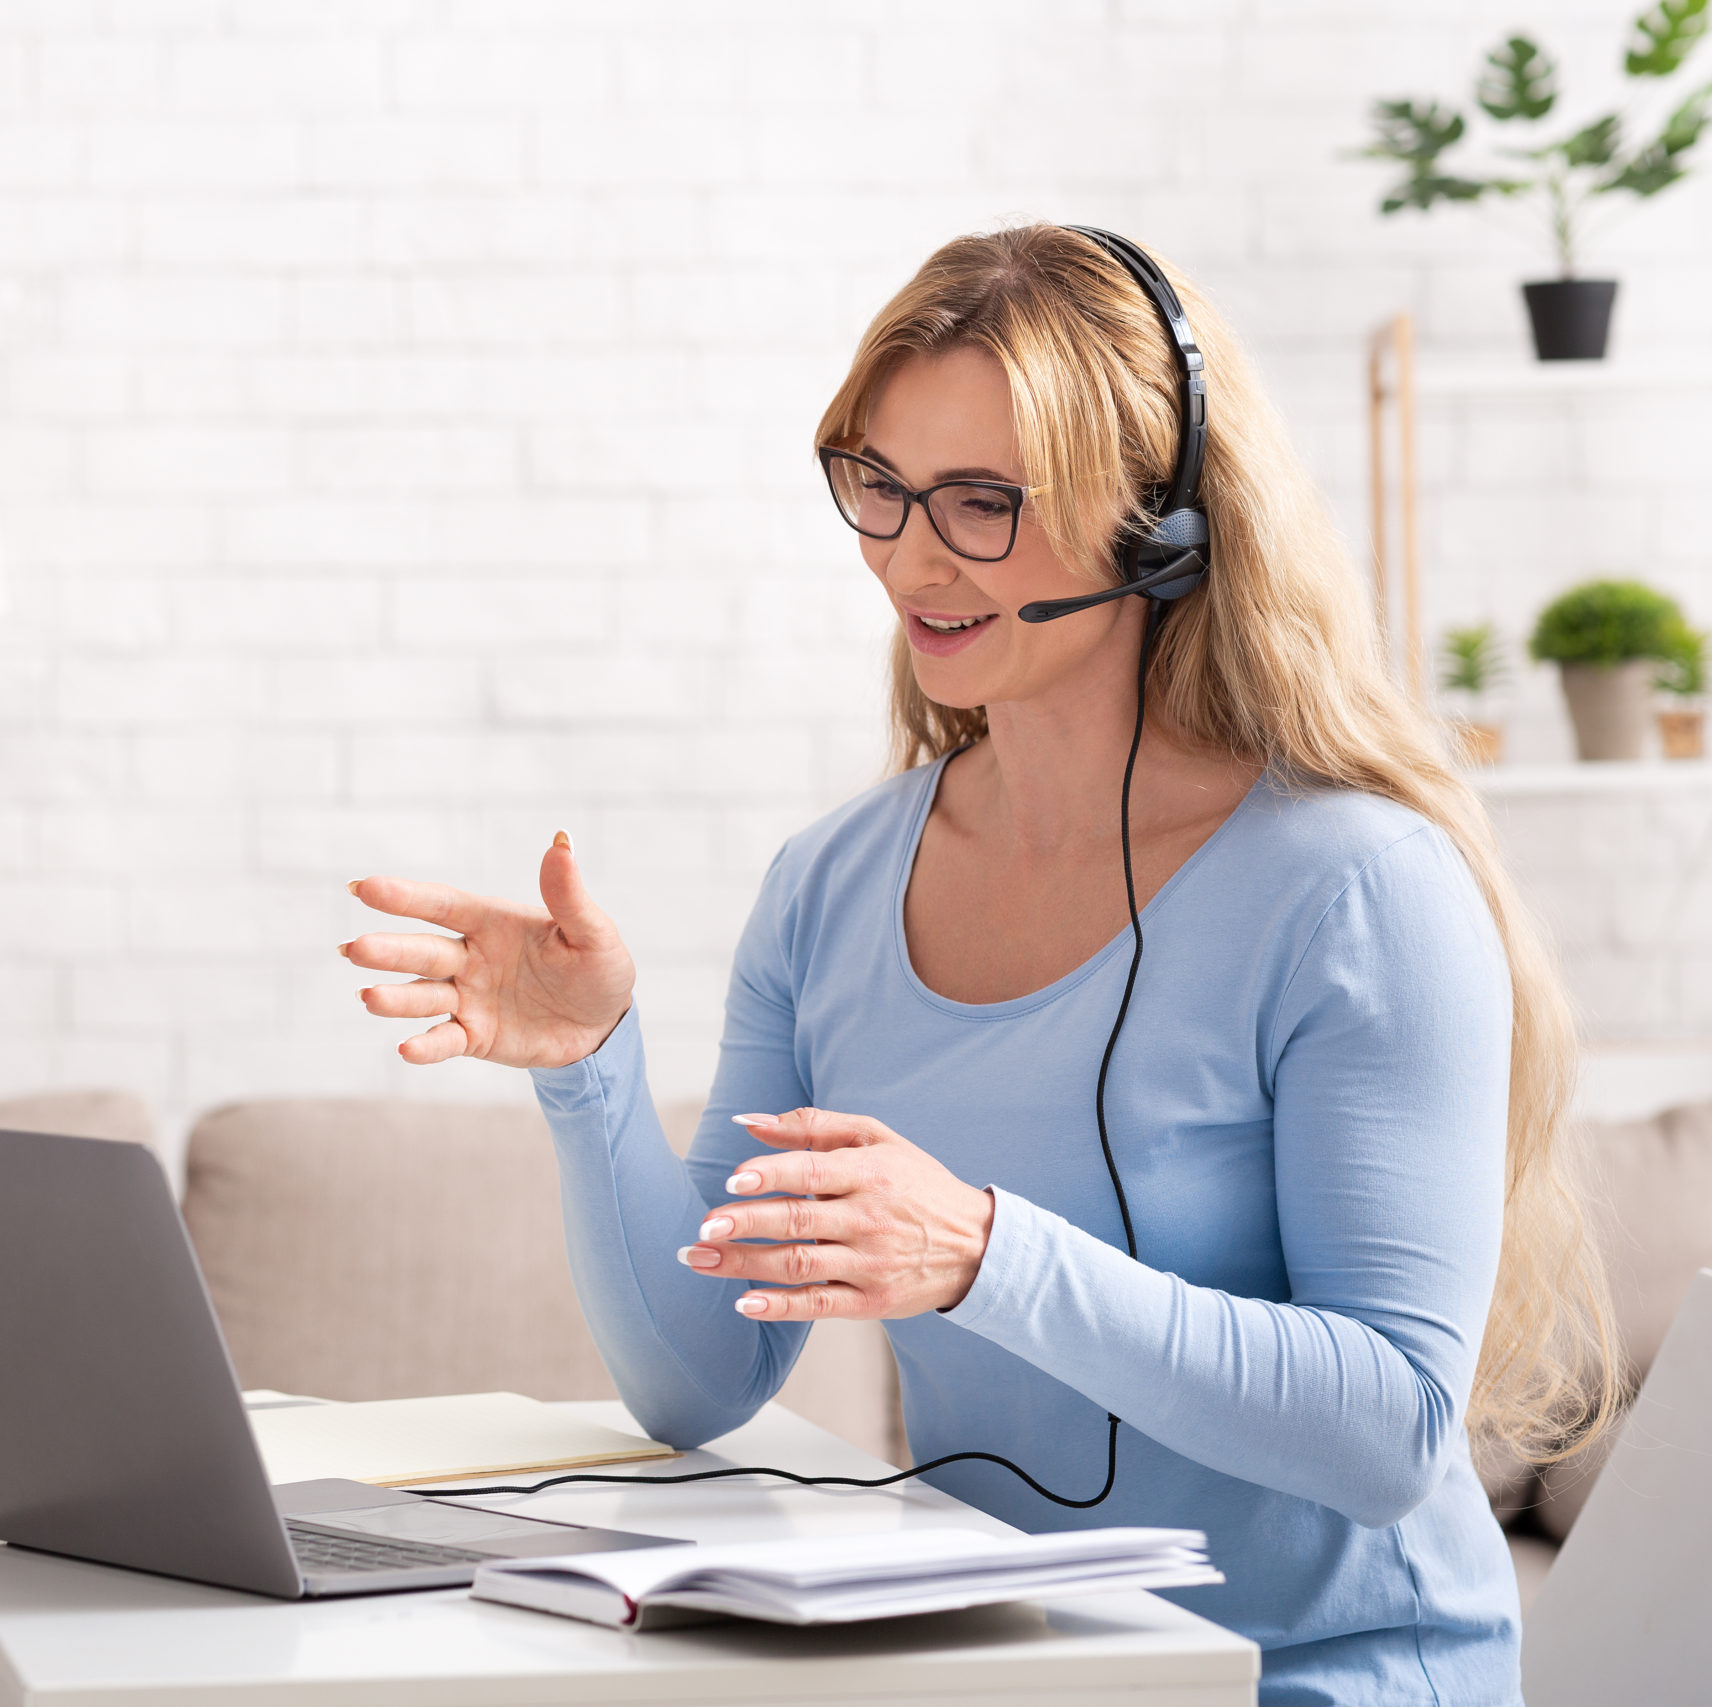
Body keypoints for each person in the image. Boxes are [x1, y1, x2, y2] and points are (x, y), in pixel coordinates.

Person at [339, 224, 1614, 1706]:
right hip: (1006, 1679)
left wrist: (984, 1257)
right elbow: (699, 1379)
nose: (912, 556)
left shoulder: (1356, 890)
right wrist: (595, 1071)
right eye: (879, 485)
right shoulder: (831, 888)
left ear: (1158, 524)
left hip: (1315, 1681)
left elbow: (1389, 1432)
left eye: (984, 503)